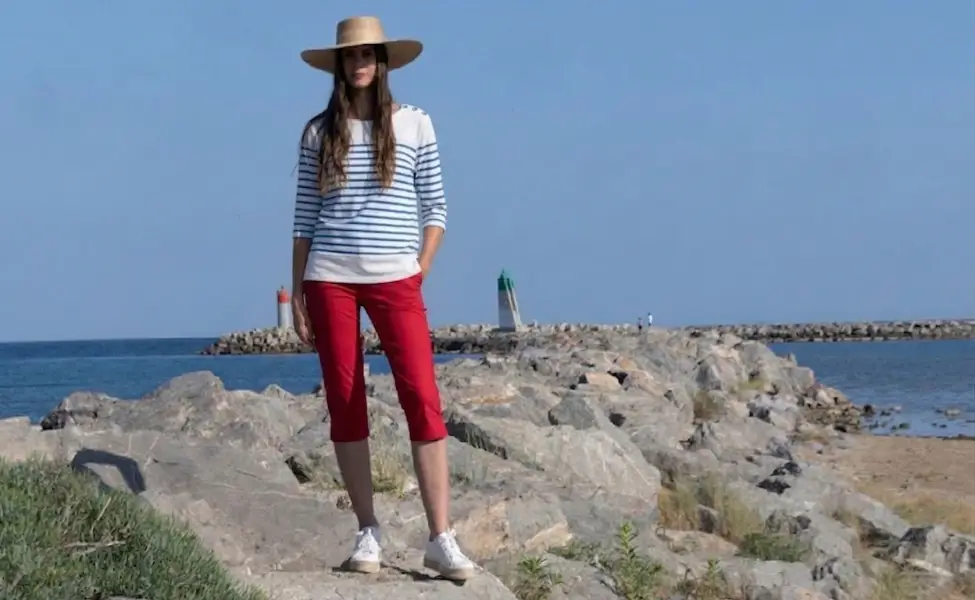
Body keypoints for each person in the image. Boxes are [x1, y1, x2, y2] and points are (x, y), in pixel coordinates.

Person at [289, 16, 476, 581]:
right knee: (346, 403)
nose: (359, 63)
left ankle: (440, 538)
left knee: (422, 397)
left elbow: (437, 208)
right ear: (340, 66)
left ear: (383, 61)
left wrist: (417, 270)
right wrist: (298, 290)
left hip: (397, 280)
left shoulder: (416, 124)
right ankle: (367, 531)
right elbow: (304, 217)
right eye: (350, 56)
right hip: (330, 279)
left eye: (368, 54)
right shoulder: (317, 132)